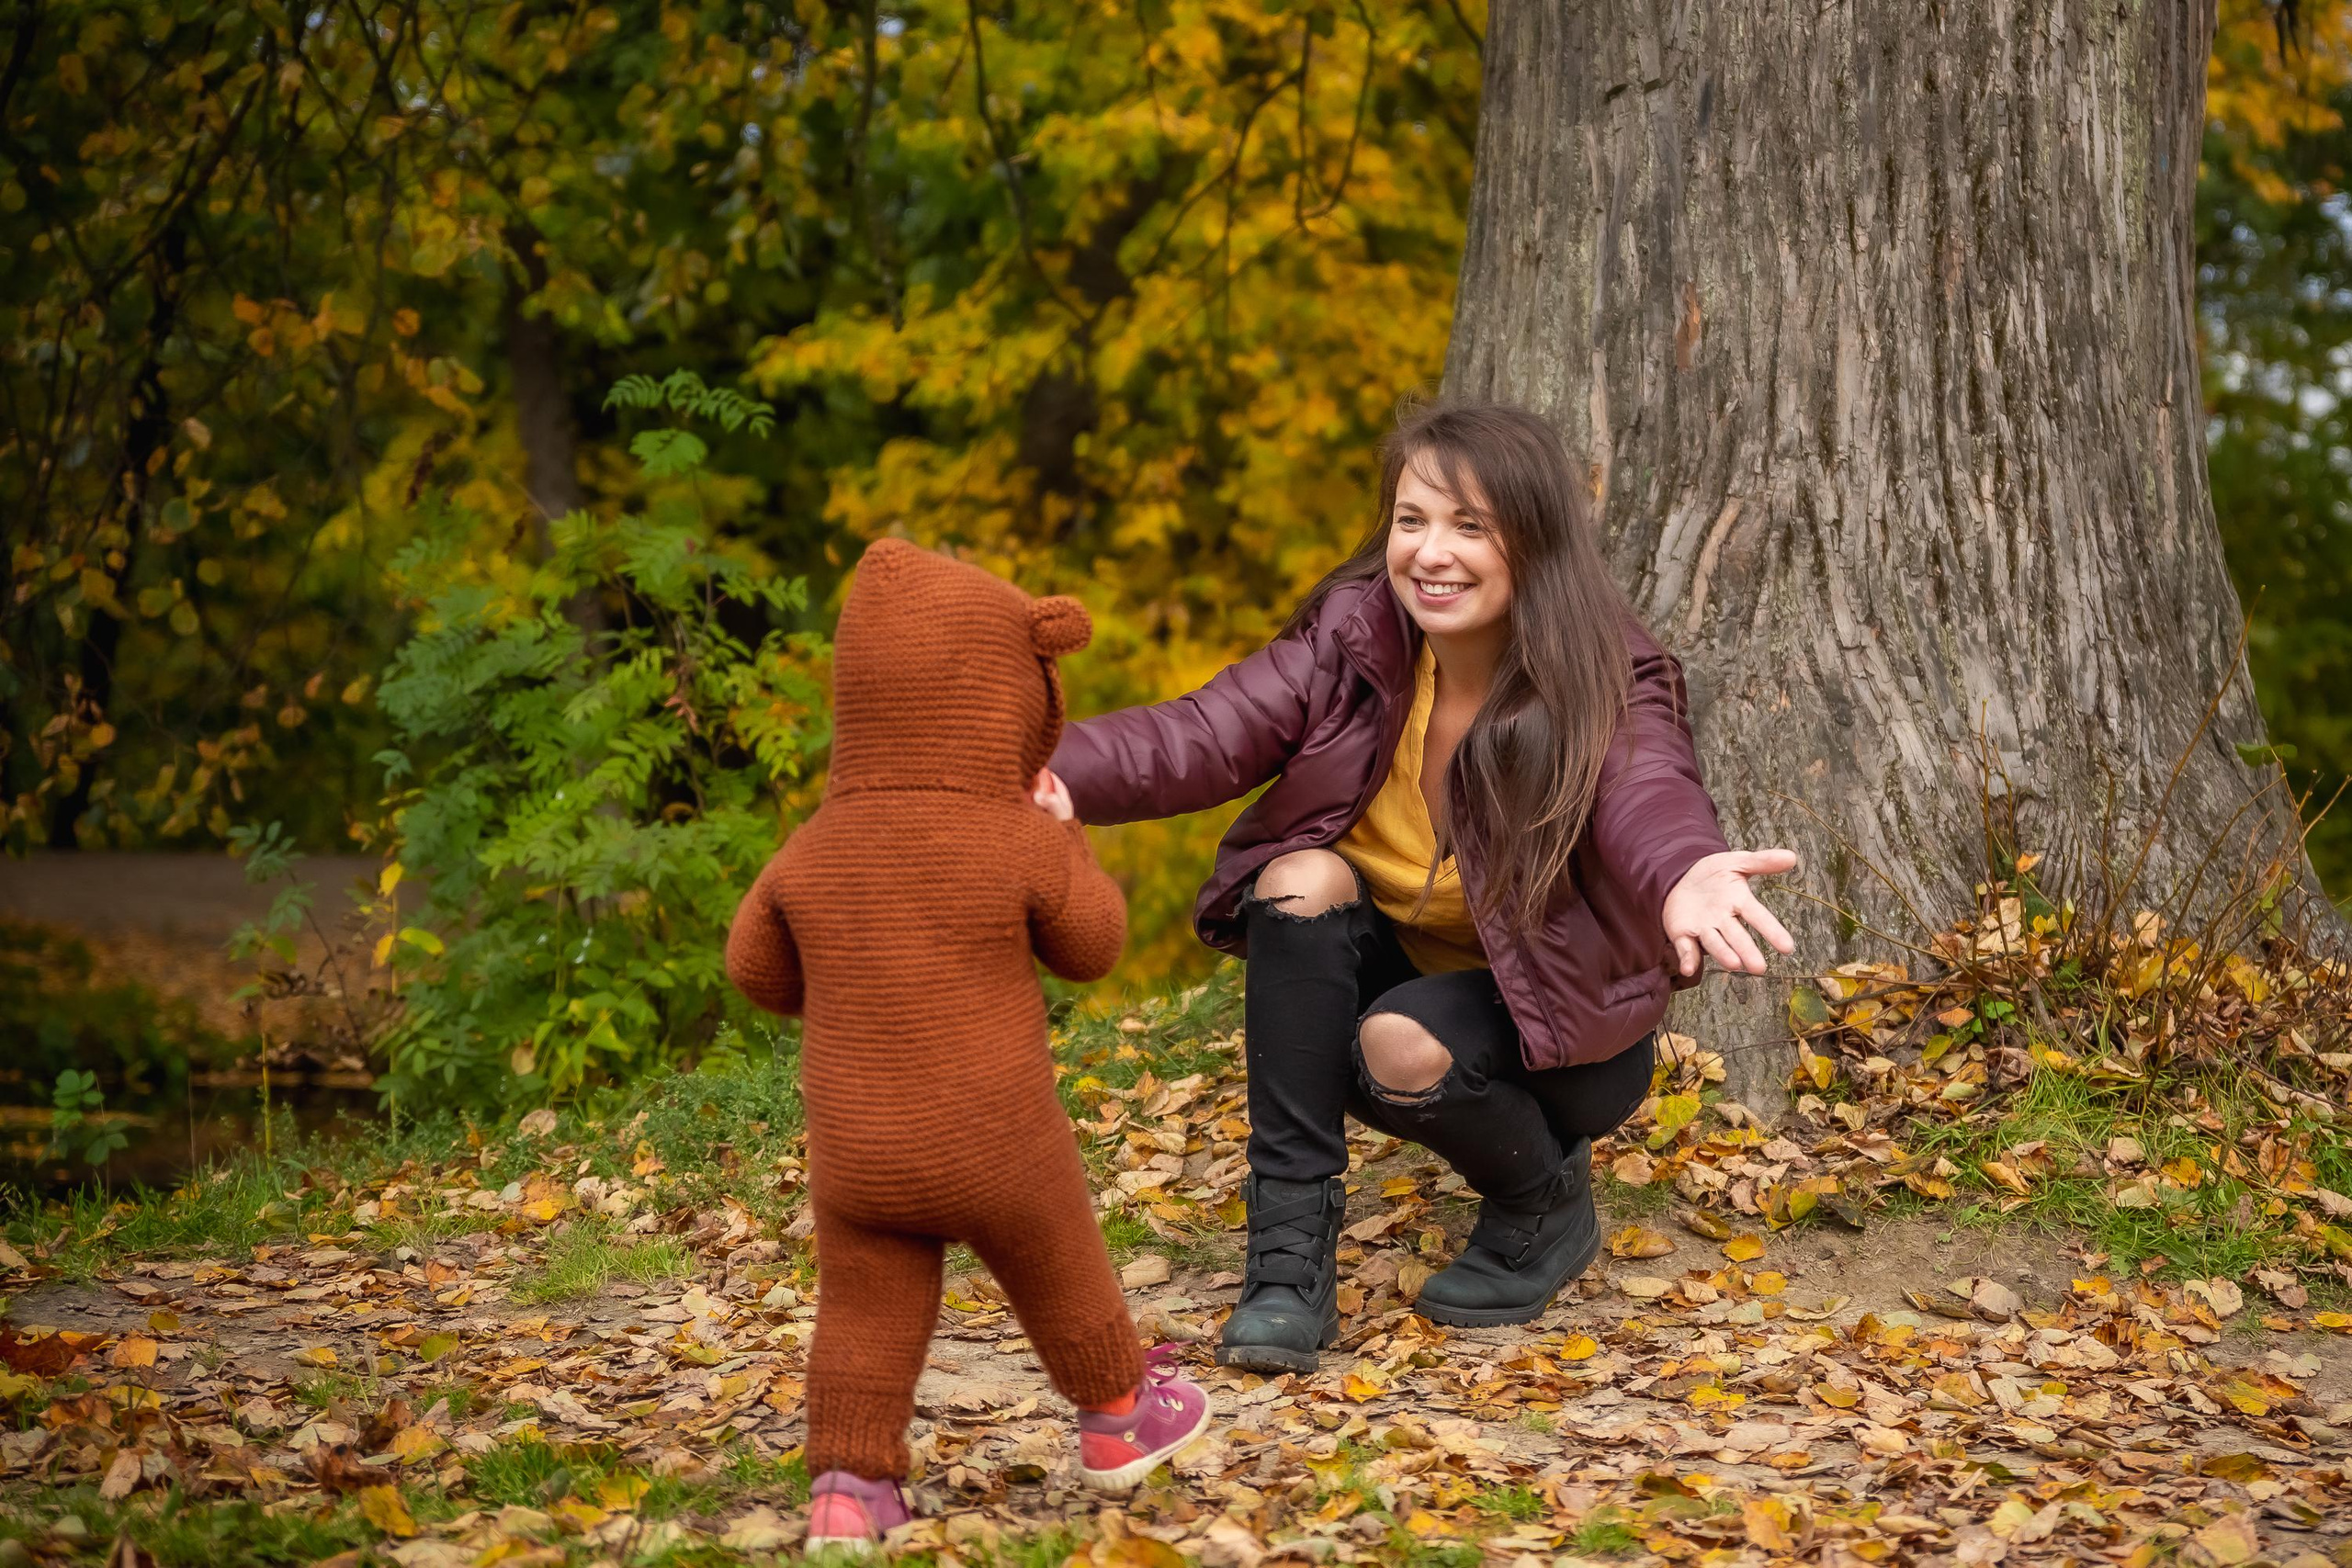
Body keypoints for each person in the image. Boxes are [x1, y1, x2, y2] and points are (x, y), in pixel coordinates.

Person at [1038, 402, 1795, 1371]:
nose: (1431, 553)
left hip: (1556, 1028)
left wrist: (1686, 868)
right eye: (1411, 520)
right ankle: (1286, 1259)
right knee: (1296, 879)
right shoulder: (1354, 642)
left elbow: (1647, 788)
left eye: (1469, 526)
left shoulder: (1602, 672)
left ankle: (1541, 1201)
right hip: (1387, 978)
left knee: (1397, 1042)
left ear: (1533, 538)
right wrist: (1044, 771)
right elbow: (1204, 730)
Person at [726, 540, 1214, 1550]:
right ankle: (1120, 1415)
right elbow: (1092, 947)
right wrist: (1064, 835)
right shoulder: (1014, 834)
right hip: (997, 1136)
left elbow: (756, 973)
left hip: (860, 1151)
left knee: (863, 1312)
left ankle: (848, 1489)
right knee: (1061, 1262)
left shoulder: (813, 846)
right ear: (1007, 699)